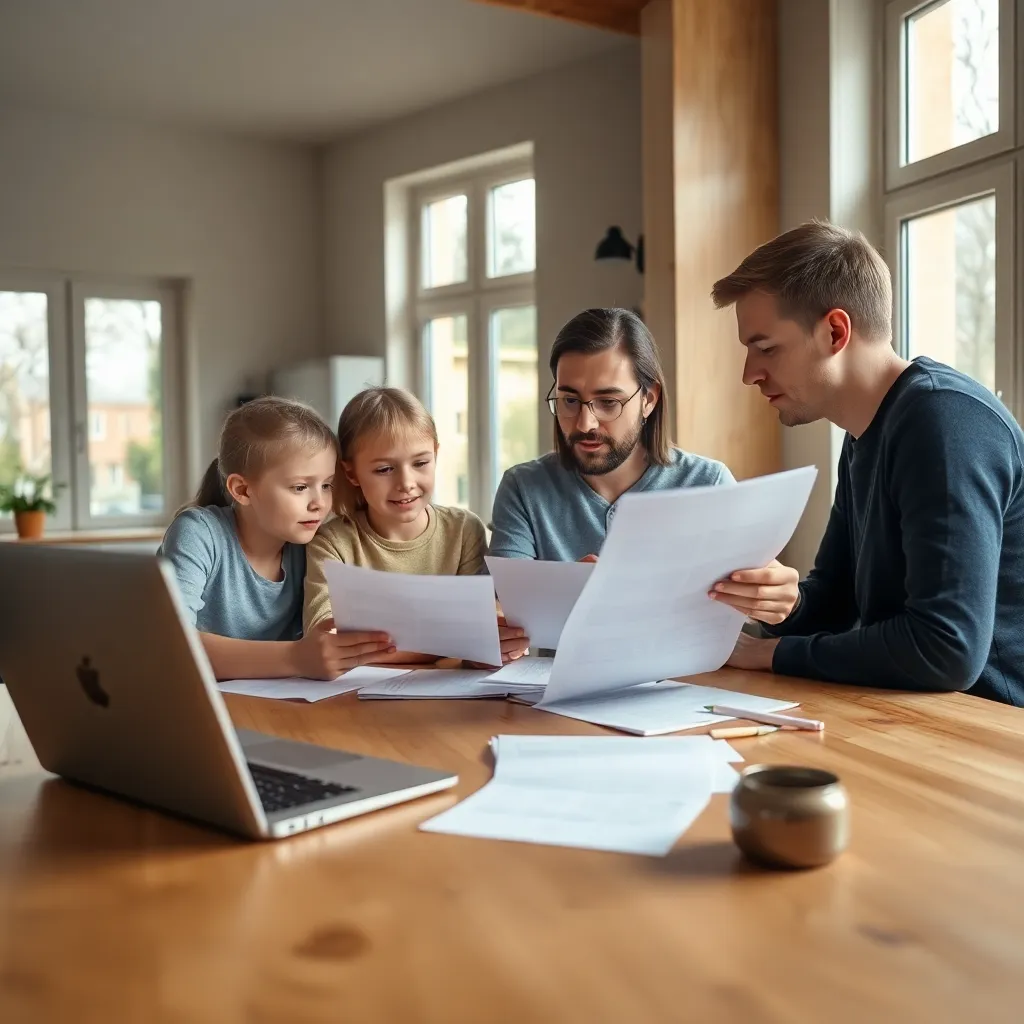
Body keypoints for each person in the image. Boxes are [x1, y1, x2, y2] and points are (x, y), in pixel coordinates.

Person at [711, 220, 1024, 706]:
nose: (750, 374)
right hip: (921, 718)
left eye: (766, 348)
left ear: (835, 331)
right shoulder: (866, 433)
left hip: (996, 736)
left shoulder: (942, 423)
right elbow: (836, 603)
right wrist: (788, 604)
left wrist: (770, 655)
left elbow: (946, 649)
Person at [488, 307, 801, 627]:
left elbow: (754, 607)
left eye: (608, 402)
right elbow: (504, 607)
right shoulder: (523, 488)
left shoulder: (708, 483)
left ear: (649, 399)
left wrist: (773, 598)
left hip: (695, 676)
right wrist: (550, 596)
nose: (585, 423)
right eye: (570, 401)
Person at [159, 396, 396, 681]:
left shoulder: (315, 545)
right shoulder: (198, 534)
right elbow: (170, 645)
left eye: (327, 485)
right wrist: (296, 658)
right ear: (243, 490)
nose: (319, 503)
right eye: (300, 487)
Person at [303, 386, 529, 665]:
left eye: (421, 462)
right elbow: (326, 640)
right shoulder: (332, 542)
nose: (406, 483)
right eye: (385, 469)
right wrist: (454, 643)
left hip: (450, 695)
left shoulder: (463, 530)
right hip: (355, 698)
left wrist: (483, 644)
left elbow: (482, 635)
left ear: (436, 454)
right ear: (351, 472)